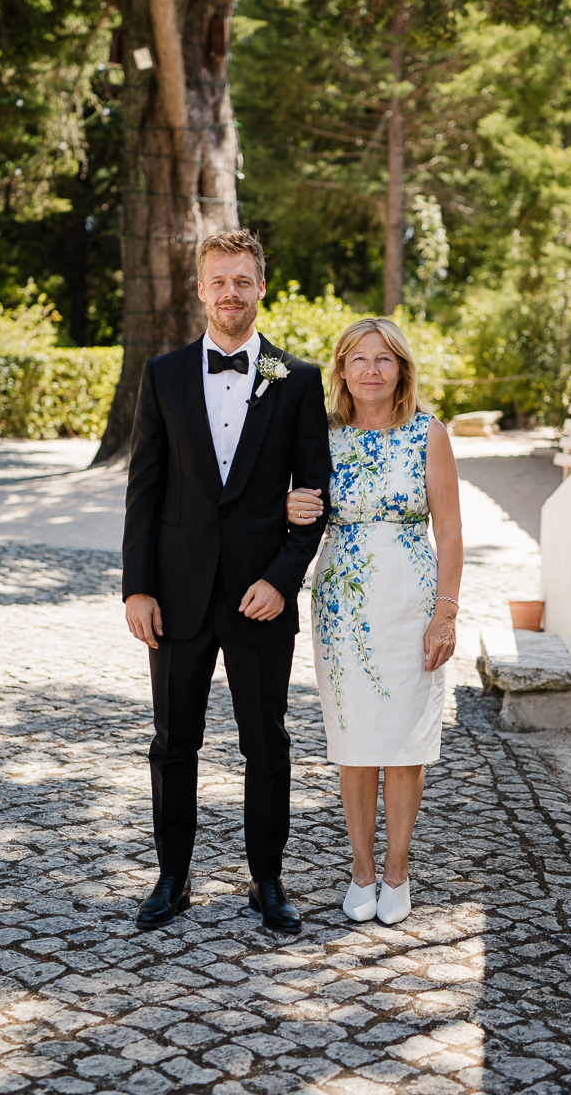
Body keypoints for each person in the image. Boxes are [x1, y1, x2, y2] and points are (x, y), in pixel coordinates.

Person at [122, 229, 331, 934]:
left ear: (261, 287)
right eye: (219, 281)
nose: (231, 293)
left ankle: (267, 881)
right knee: (173, 741)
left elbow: (314, 497)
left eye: (243, 281)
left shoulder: (296, 380)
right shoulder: (163, 374)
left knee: (266, 742)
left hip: (259, 598)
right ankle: (171, 878)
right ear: (202, 288)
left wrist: (282, 578)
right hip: (176, 595)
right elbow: (144, 491)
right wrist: (137, 588)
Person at [287, 318, 462, 925]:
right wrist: (289, 503)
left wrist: (446, 612)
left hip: (412, 602)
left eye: (383, 359)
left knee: (405, 742)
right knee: (355, 740)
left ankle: (397, 872)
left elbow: (451, 530)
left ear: (401, 370)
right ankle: (361, 872)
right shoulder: (323, 436)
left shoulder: (428, 433)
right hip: (342, 603)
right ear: (340, 370)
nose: (370, 369)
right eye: (357, 359)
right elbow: (294, 504)